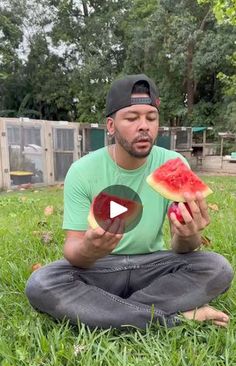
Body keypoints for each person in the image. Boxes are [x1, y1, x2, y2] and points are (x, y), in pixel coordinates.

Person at [25, 74, 234, 329]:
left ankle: (107, 311)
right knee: (41, 283)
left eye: (151, 117)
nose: (144, 126)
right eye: (132, 118)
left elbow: (182, 248)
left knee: (217, 267)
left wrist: (190, 233)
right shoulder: (82, 171)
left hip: (153, 267)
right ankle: (172, 318)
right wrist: (91, 249)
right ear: (111, 126)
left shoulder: (174, 164)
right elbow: (73, 252)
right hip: (100, 270)